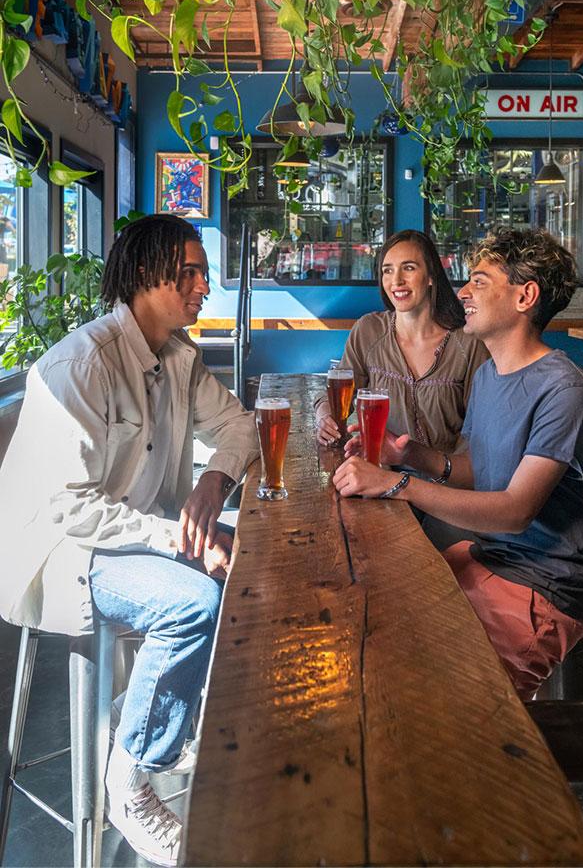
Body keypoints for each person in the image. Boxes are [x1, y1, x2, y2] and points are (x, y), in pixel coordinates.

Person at [0, 214, 258, 866]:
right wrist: (181, 536)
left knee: (253, 564)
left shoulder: (177, 357)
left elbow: (241, 428)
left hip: (128, 535)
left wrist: (213, 485)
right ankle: (134, 778)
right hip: (60, 553)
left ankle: (142, 712)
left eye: (204, 273)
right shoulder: (83, 363)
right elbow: (70, 509)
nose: (206, 287)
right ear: (147, 275)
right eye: (192, 273)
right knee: (193, 603)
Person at [332, 227, 583, 700]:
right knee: (378, 628)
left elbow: (515, 511)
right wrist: (409, 454)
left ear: (525, 297)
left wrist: (395, 483)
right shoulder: (489, 374)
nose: (463, 292)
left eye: (479, 282)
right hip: (488, 557)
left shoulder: (564, 388)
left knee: (450, 702)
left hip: (541, 586)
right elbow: (475, 468)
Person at [315, 230, 488, 454]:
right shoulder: (368, 330)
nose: (396, 281)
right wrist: (324, 415)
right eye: (387, 270)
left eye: (408, 268)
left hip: (445, 483)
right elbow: (337, 396)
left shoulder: (468, 342)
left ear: (431, 275)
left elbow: (478, 432)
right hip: (378, 476)